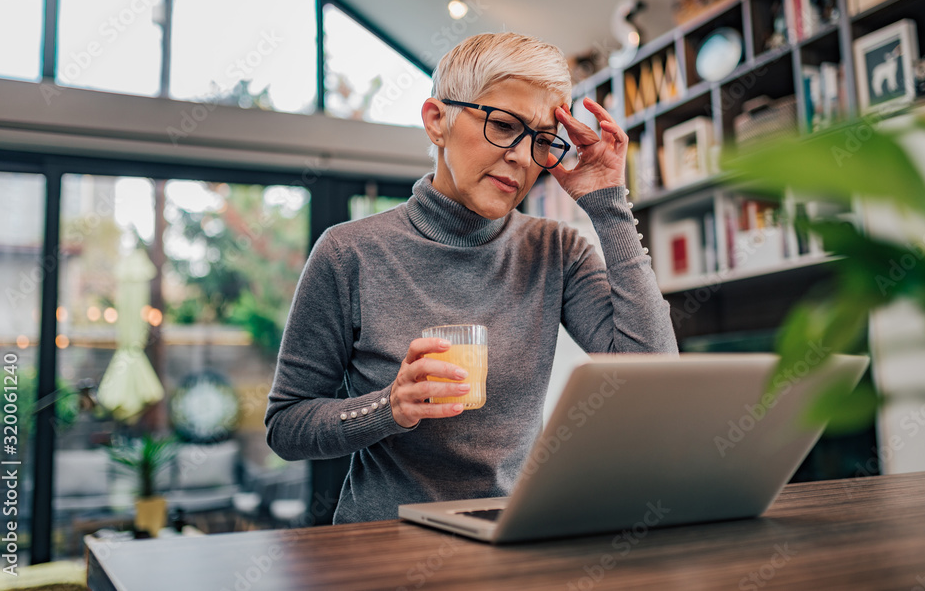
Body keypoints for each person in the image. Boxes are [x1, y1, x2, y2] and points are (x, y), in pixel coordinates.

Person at [265, 32, 678, 524]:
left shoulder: (556, 250)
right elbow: (286, 425)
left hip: (513, 538)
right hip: (382, 546)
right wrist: (388, 407)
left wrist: (609, 204)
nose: (524, 159)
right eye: (504, 126)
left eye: (543, 141)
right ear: (437, 121)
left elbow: (653, 376)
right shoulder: (347, 252)